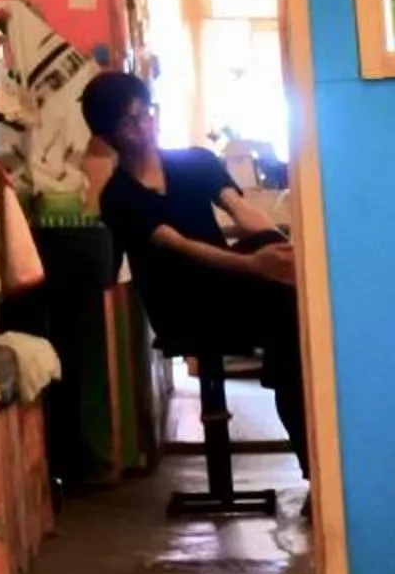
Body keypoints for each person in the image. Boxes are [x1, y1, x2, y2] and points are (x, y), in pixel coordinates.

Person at [79, 70, 308, 466]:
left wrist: (288, 250)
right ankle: (307, 449)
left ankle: (300, 421)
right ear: (109, 135)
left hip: (229, 283)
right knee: (286, 320)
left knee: (284, 290)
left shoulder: (195, 162)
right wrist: (253, 264)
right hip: (183, 305)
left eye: (146, 114)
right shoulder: (119, 196)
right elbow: (179, 246)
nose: (144, 127)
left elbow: (242, 209)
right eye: (130, 122)